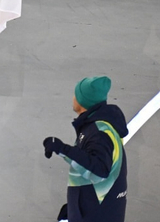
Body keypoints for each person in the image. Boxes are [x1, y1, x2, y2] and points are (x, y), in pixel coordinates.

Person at [43, 75, 128, 222]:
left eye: (76, 94)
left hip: (97, 213)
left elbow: (98, 170)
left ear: (83, 101)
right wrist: (74, 206)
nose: (73, 98)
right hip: (95, 207)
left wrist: (63, 149)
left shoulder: (99, 133)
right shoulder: (97, 126)